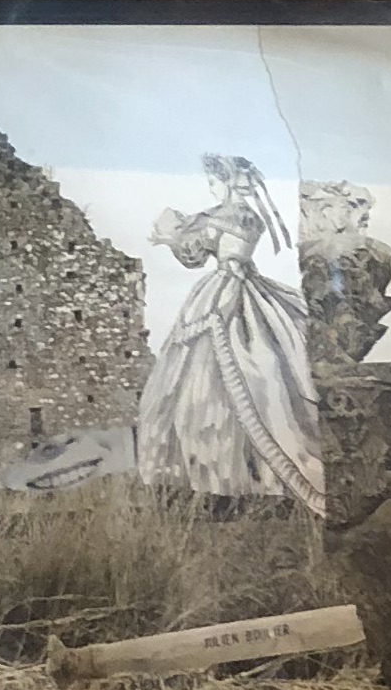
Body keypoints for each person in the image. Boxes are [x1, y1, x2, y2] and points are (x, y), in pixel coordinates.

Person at [139, 150, 326, 515]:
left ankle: (222, 481)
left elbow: (193, 256)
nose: (210, 188)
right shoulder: (251, 217)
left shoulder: (219, 216)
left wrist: (169, 236)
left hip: (223, 291)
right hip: (249, 286)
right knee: (261, 376)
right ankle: (254, 481)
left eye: (213, 182)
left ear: (225, 182)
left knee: (210, 381)